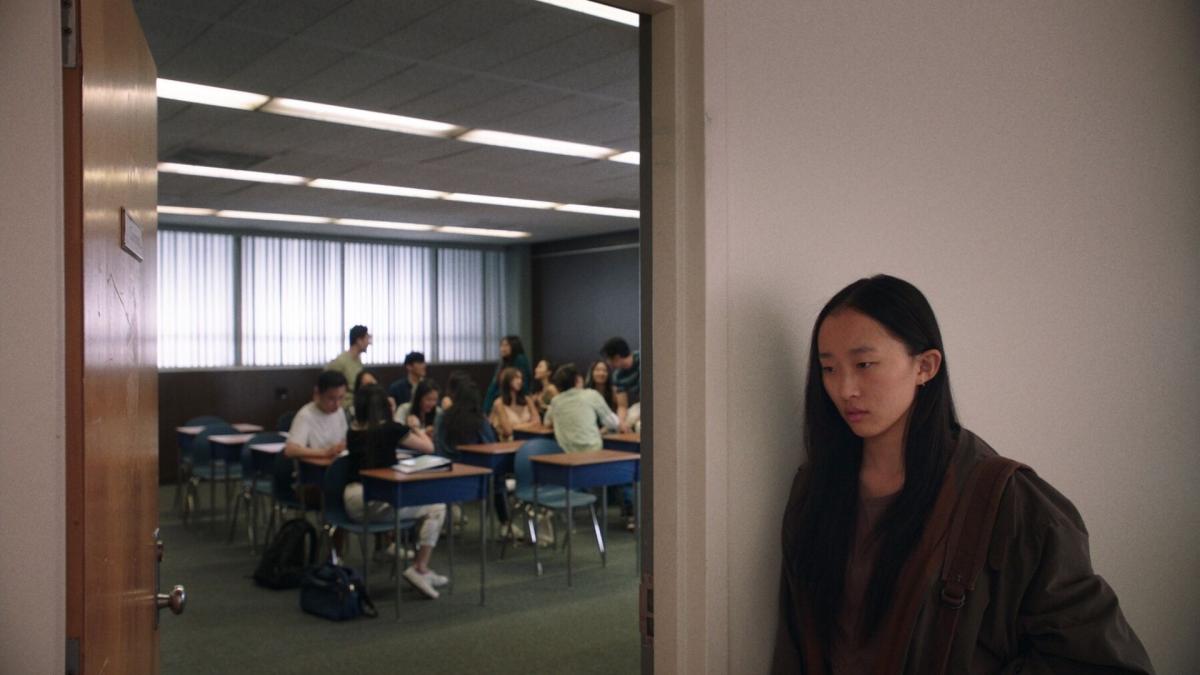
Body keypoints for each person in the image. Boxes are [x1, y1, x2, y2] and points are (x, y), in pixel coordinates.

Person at [771, 275, 1153, 674]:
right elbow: (794, 645)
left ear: (925, 366)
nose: (844, 388)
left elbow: (1101, 661)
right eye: (829, 368)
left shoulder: (1010, 502)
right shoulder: (814, 490)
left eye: (864, 364)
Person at [342, 384, 446, 600]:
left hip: (352, 499)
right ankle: (420, 568)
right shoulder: (391, 429)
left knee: (411, 503)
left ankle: (411, 561)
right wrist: (415, 427)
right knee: (437, 506)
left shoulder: (352, 430)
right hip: (376, 497)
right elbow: (429, 448)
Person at [544, 363, 619, 453]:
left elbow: (547, 423)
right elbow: (614, 423)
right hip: (593, 452)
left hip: (566, 454)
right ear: (578, 379)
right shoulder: (591, 394)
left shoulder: (555, 401)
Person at [483, 335, 531, 415]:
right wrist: (486, 408)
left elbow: (524, 383)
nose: (502, 348)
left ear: (514, 345)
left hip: (514, 401)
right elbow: (493, 386)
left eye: (506, 345)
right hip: (500, 399)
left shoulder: (520, 359)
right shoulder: (503, 363)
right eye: (501, 345)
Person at [489, 367, 539, 442]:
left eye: (521, 378)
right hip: (507, 444)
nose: (520, 381)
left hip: (529, 440)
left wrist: (515, 427)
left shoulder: (527, 400)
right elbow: (508, 431)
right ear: (507, 380)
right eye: (516, 378)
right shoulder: (499, 403)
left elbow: (537, 422)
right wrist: (529, 424)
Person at [326, 325, 371, 409]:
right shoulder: (341, 361)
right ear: (359, 341)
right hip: (344, 406)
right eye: (367, 339)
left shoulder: (358, 359)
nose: (369, 343)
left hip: (356, 403)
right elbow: (326, 381)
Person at [601, 336, 640, 432]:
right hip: (642, 405)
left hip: (660, 401)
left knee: (641, 426)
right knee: (618, 426)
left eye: (608, 359)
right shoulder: (617, 376)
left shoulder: (644, 359)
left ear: (617, 358)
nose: (608, 363)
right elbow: (622, 405)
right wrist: (621, 423)